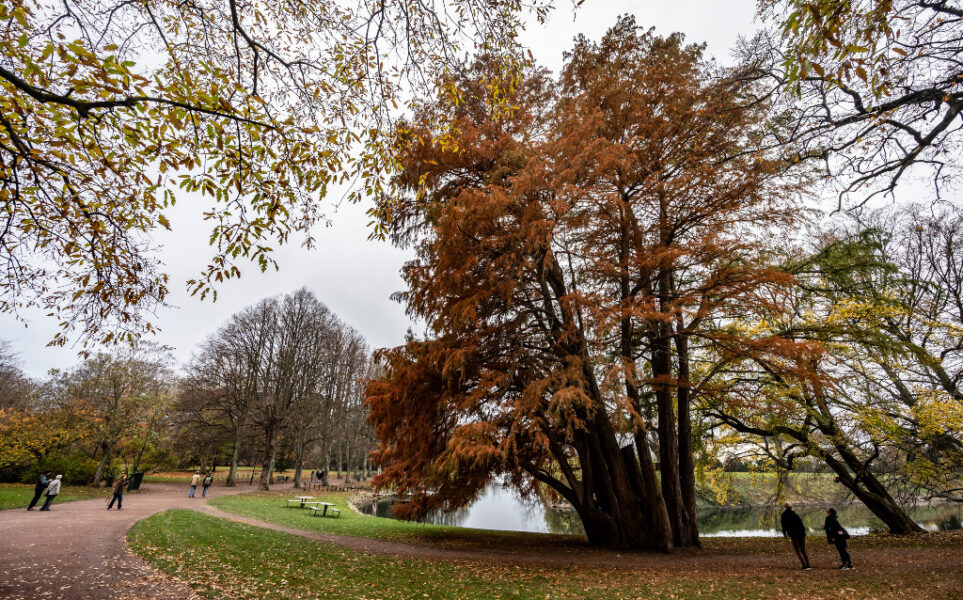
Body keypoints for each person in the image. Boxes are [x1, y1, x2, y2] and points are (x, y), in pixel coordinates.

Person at [780, 503, 811, 570]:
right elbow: (801, 524)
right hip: (801, 533)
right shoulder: (795, 514)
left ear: (785, 508)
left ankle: (804, 566)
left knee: (797, 550)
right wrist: (804, 533)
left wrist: (785, 534)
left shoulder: (784, 515)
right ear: (791, 508)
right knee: (803, 549)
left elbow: (783, 526)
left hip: (793, 535)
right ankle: (808, 565)